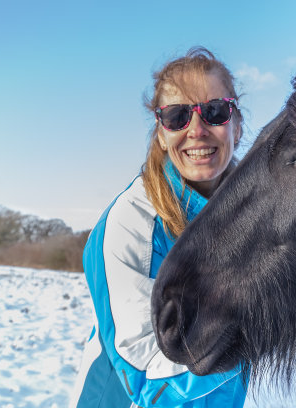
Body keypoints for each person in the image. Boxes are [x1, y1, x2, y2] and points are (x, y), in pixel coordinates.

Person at [70, 48, 248, 407]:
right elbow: (147, 373)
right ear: (162, 133)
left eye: (214, 111)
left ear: (237, 124)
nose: (196, 131)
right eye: (177, 116)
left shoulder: (252, 212)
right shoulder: (130, 223)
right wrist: (259, 336)